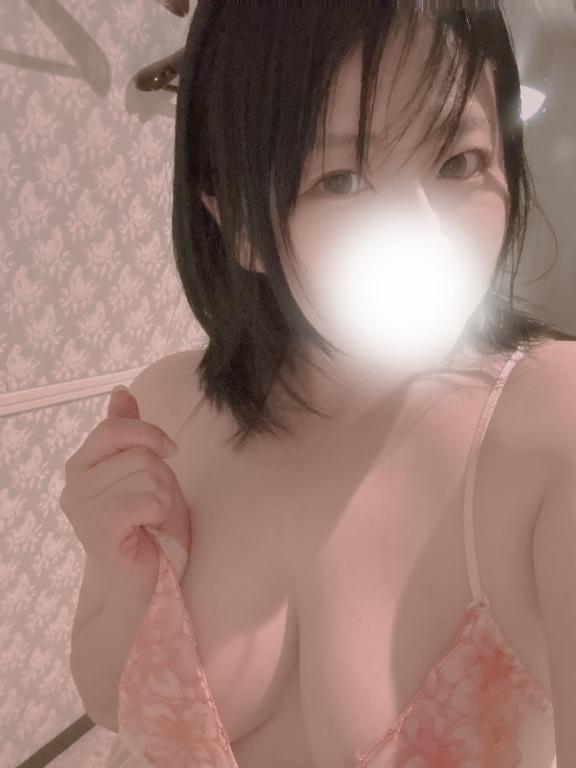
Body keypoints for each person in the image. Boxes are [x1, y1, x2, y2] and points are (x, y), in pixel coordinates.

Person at [68, 4, 570, 767]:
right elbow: (107, 702)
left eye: (459, 162)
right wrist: (122, 576)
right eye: (343, 179)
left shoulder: (551, 420)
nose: (429, 236)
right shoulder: (166, 408)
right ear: (237, 221)